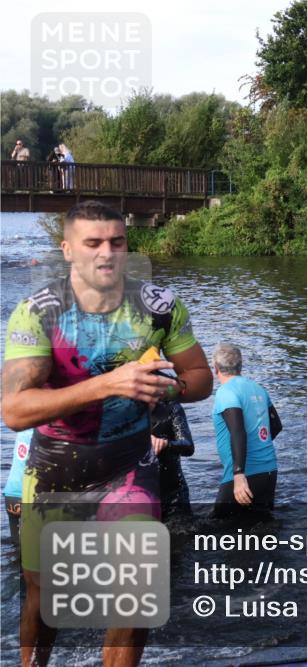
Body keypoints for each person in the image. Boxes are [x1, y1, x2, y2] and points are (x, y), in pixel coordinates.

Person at [1, 199, 212, 667]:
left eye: (117, 242)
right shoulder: (38, 313)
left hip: (128, 467)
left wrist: (166, 385)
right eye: (92, 243)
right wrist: (108, 384)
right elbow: (14, 411)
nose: (106, 253)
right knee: (44, 595)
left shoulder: (158, 308)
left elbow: (200, 376)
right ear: (68, 250)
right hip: (56, 468)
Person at [211, 343, 282, 517]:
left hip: (243, 476)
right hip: (269, 472)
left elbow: (237, 431)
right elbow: (276, 425)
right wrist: (258, 446)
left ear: (215, 368)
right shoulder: (258, 388)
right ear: (240, 366)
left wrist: (238, 474)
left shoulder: (225, 392)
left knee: (216, 534)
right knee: (260, 531)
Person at [150, 400, 194, 519]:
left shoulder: (172, 408)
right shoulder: (123, 414)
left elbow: (188, 446)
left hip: (175, 495)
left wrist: (165, 443)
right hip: (138, 496)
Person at [3, 429, 33, 546]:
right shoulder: (48, 431)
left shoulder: (23, 428)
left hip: (11, 495)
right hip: (32, 497)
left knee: (17, 549)